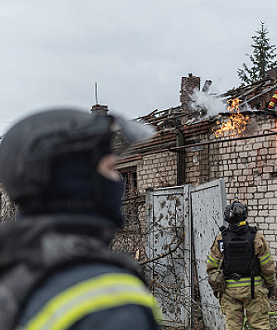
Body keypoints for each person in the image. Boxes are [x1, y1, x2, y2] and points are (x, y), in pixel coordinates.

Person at [0, 108, 162, 330]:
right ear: (72, 179)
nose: (118, 181)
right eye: (110, 168)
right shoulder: (110, 299)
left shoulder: (14, 268)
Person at [206, 198, 276, 330]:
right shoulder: (257, 237)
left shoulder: (221, 239)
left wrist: (217, 289)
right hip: (254, 290)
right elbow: (267, 266)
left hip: (229, 291)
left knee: (233, 327)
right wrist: (270, 284)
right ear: (245, 215)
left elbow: (211, 266)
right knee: (260, 326)